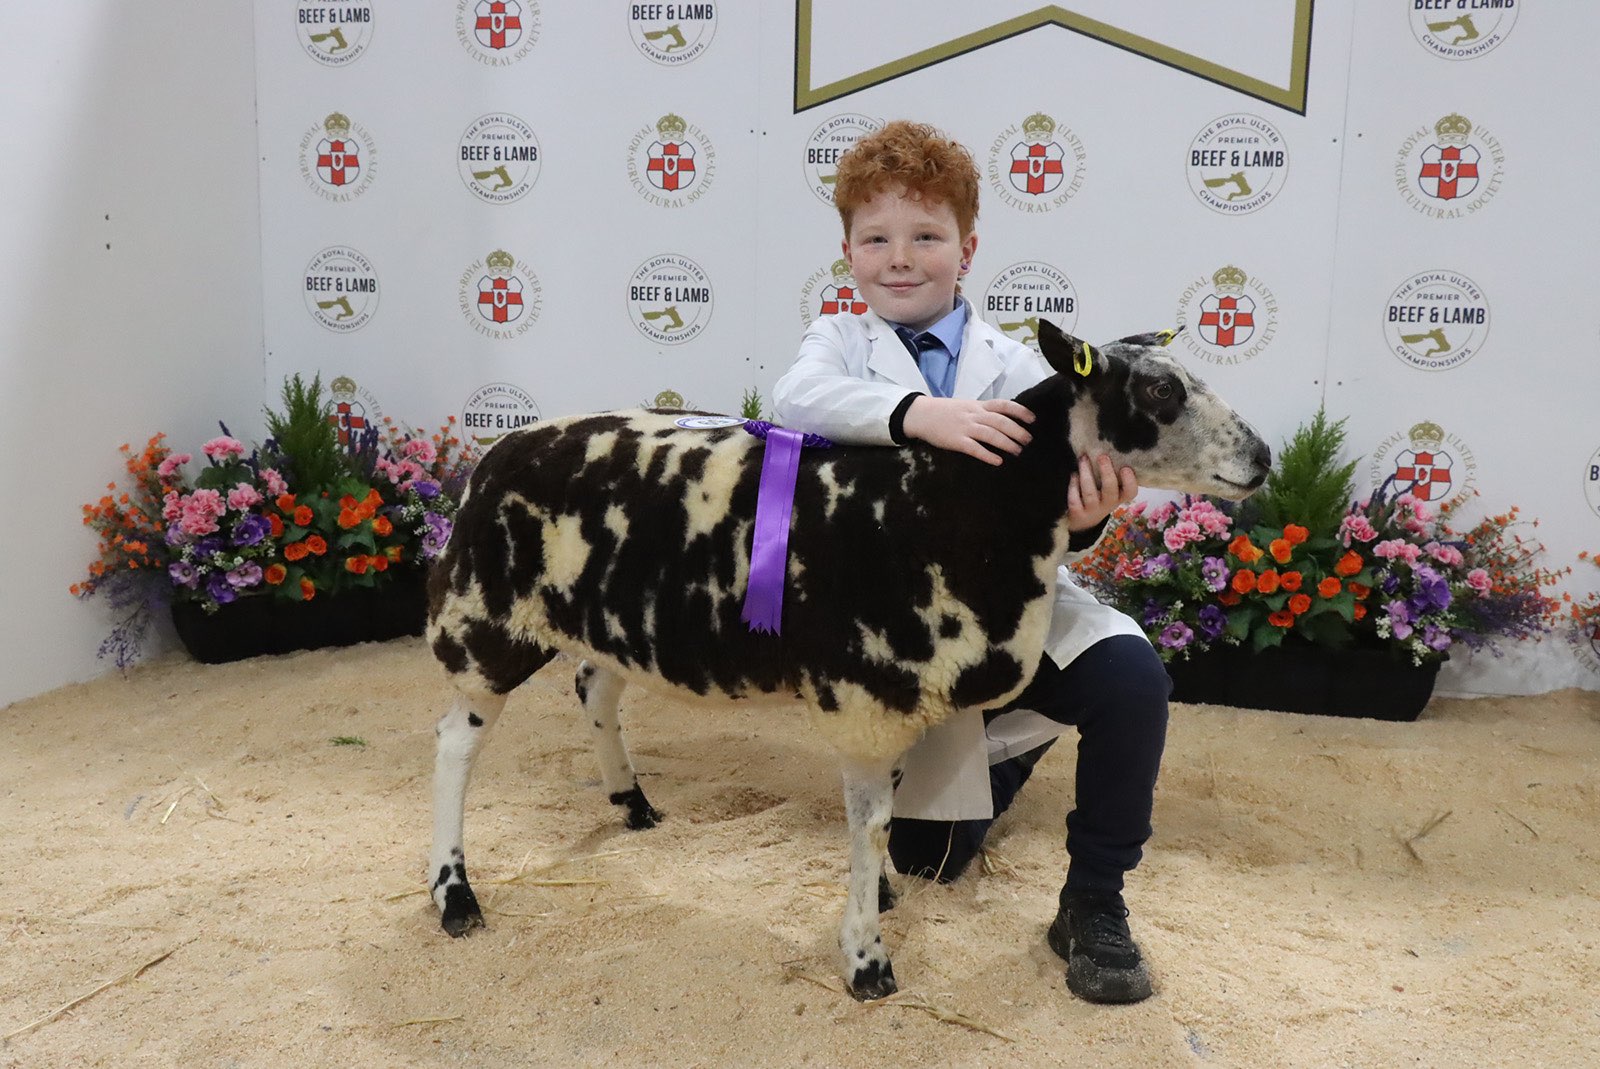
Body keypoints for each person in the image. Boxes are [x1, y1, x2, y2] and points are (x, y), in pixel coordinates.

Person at [771, 120, 1171, 1004]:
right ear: (848, 254)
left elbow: (1062, 507)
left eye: (926, 236)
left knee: (1132, 676)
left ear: (968, 247)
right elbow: (792, 400)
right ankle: (996, 753)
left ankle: (1094, 902)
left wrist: (1090, 518)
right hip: (896, 622)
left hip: (1005, 598)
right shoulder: (836, 344)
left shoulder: (1019, 365)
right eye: (875, 239)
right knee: (932, 862)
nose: (900, 259)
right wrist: (921, 413)